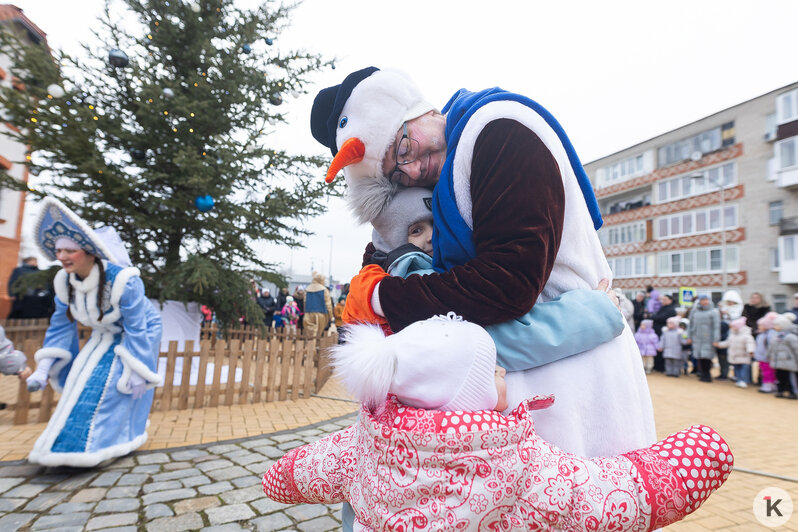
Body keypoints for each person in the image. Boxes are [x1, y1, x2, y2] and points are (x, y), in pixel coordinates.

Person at [310, 67, 656, 461]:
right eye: (396, 175)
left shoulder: (497, 130)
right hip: (530, 374)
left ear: (418, 111)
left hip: (573, 370)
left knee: (588, 488)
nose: (411, 170)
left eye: (403, 150)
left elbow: (508, 282)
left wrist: (382, 296)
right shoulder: (446, 171)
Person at [262, 315, 733, 531]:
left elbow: (304, 470)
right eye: (491, 371)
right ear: (466, 397)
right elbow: (606, 495)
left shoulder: (367, 444)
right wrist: (697, 456)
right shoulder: (515, 465)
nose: (503, 372)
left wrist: (278, 478)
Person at [368, 186, 625, 372]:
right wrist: (595, 313)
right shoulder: (416, 278)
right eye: (416, 230)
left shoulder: (427, 273)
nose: (430, 237)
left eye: (435, 225)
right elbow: (498, 342)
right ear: (393, 242)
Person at [19, 197, 162, 467]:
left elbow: (137, 328)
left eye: (69, 251)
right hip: (103, 333)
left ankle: (107, 445)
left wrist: (139, 369)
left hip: (140, 331)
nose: (61, 257)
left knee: (113, 383)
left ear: (89, 253)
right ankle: (70, 447)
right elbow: (60, 325)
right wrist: (43, 367)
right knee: (81, 379)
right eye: (58, 251)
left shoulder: (124, 281)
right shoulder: (64, 281)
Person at [688, 294, 721, 383]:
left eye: (706, 300)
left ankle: (707, 375)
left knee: (707, 357)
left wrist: (716, 339)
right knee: (699, 356)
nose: (704, 302)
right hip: (697, 337)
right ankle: (702, 373)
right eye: (703, 300)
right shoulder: (694, 311)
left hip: (708, 338)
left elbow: (716, 327)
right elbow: (690, 325)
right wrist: (689, 336)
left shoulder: (713, 312)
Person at [768, 313, 798, 399]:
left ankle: (792, 392)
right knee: (780, 377)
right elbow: (771, 347)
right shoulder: (777, 336)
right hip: (779, 362)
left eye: (777, 325)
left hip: (789, 362)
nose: (775, 327)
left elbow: (796, 348)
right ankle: (781, 391)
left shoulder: (791, 337)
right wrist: (769, 355)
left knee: (790, 378)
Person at [718, 317, 755, 388]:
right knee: (736, 369)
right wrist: (719, 344)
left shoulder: (747, 336)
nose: (732, 328)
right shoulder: (732, 335)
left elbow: (750, 344)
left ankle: (744, 380)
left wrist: (751, 351)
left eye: (733, 326)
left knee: (744, 370)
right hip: (735, 357)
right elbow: (727, 343)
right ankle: (739, 380)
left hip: (744, 357)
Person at [651, 293, 677, 372]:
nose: (663, 301)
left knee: (662, 350)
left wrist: (653, 317)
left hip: (664, 333)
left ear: (670, 300)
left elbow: (660, 318)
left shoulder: (671, 309)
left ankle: (661, 367)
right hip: (658, 331)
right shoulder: (663, 307)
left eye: (665, 300)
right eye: (662, 299)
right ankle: (657, 366)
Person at [754, 312, 779, 393]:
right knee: (765, 372)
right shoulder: (761, 335)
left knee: (769, 372)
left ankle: (769, 386)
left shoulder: (770, 335)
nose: (759, 327)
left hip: (767, 358)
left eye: (761, 325)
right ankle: (768, 385)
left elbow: (771, 346)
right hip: (762, 357)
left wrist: (770, 355)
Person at [302, 273, 333, 338]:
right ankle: (316, 343)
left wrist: (305, 312)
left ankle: (310, 343)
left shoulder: (307, 289)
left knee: (310, 334)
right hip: (321, 314)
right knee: (318, 334)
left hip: (308, 313)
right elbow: (328, 305)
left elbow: (305, 302)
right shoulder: (324, 290)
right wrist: (331, 316)